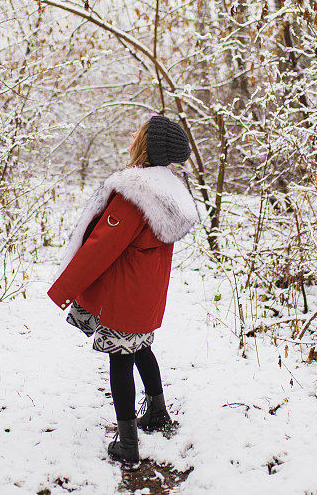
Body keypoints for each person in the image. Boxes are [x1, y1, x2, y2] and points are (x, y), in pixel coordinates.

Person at [47, 115, 198, 466]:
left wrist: (64, 288)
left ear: (148, 144)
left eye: (139, 132)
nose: (133, 135)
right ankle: (158, 413)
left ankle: (127, 445)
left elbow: (101, 247)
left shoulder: (136, 194)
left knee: (121, 359)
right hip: (146, 295)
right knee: (141, 347)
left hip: (124, 295)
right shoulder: (171, 189)